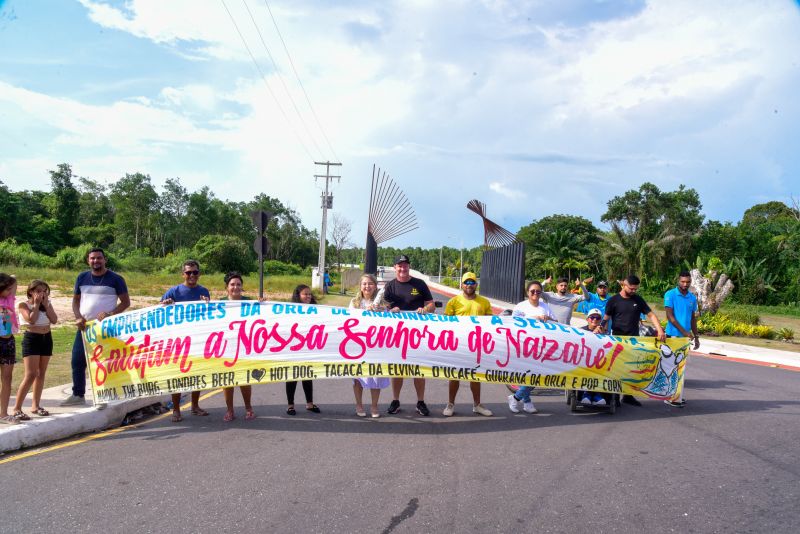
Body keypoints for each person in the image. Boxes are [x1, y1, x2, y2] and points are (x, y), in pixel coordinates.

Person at [61, 248, 130, 407]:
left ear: (105, 260)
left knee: (102, 362)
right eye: (92, 258)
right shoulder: (82, 277)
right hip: (85, 328)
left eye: (99, 258)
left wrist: (110, 313)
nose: (96, 261)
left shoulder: (116, 279)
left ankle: (103, 396)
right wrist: (77, 317)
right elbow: (75, 300)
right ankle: (78, 395)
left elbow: (126, 302)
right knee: (77, 360)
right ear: (88, 260)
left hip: (105, 328)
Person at [598, 274, 665, 407]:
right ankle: (615, 397)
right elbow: (606, 318)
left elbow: (651, 315)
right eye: (631, 288)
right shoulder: (613, 300)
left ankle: (628, 396)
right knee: (616, 370)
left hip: (634, 341)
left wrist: (660, 330)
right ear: (623, 284)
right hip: (618, 340)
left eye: (636, 289)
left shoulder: (638, 300)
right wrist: (601, 328)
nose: (633, 291)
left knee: (631, 369)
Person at [379, 255, 435, 416]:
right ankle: (395, 400)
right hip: (397, 335)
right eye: (399, 266)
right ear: (395, 267)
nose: (403, 269)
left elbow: (431, 304)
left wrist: (425, 310)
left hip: (418, 334)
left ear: (409, 267)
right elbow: (382, 307)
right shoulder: (390, 286)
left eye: (405, 266)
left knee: (418, 369)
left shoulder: (419, 284)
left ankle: (420, 401)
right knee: (397, 369)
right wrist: (390, 310)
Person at [161, 260, 210, 422]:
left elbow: (209, 315)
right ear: (183, 274)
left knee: (197, 375)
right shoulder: (174, 291)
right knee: (178, 377)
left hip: (197, 340)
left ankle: (195, 406)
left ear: (199, 274)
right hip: (178, 342)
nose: (191, 276)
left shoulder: (204, 291)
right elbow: (158, 310)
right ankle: (176, 410)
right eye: (188, 273)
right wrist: (165, 304)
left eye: (195, 272)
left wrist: (207, 304)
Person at [443, 272, 493, 417]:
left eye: (472, 282)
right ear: (462, 285)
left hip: (477, 344)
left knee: (475, 376)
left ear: (476, 285)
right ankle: (450, 404)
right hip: (458, 344)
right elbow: (446, 323)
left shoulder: (484, 302)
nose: (469, 285)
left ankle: (477, 405)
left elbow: (490, 322)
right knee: (454, 375)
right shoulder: (453, 302)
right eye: (466, 282)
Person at [12, 280, 58, 420]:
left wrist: (45, 305)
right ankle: (16, 408)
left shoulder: (47, 304)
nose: (41, 294)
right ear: (31, 291)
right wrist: (37, 305)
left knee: (41, 373)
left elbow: (54, 320)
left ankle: (35, 405)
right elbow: (31, 319)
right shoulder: (23, 305)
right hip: (32, 338)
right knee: (31, 374)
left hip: (46, 338)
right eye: (38, 291)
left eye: (44, 291)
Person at [508, 280, 554, 414]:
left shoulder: (545, 306)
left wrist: (548, 318)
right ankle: (526, 402)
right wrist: (535, 317)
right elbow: (514, 322)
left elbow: (556, 323)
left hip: (541, 346)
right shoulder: (520, 306)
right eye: (532, 291)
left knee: (536, 375)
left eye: (538, 291)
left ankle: (516, 398)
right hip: (523, 345)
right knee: (528, 374)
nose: (535, 293)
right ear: (528, 292)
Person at [348, 273, 390, 418]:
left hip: (376, 346)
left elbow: (387, 324)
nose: (367, 286)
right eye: (364, 284)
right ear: (360, 287)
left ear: (375, 286)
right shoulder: (354, 303)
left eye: (370, 283)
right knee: (358, 377)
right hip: (358, 345)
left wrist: (381, 311)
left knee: (376, 377)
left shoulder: (382, 305)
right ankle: (359, 405)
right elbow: (349, 322)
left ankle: (374, 406)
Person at [220, 271, 256, 422]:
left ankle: (248, 408)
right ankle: (230, 410)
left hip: (244, 347)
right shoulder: (218, 304)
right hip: (225, 348)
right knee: (227, 381)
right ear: (227, 287)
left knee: (244, 379)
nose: (236, 287)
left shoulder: (250, 302)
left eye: (238, 284)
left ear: (242, 287)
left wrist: (264, 304)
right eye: (232, 284)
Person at [663, 271, 700, 408]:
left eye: (688, 282)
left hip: (685, 339)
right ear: (678, 281)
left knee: (681, 368)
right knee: (672, 367)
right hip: (673, 336)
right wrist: (684, 332)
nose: (685, 284)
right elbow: (670, 317)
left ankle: (676, 396)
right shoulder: (670, 294)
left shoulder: (692, 298)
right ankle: (670, 396)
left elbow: (692, 318)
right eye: (683, 282)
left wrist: (696, 337)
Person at [286, 284, 321, 415]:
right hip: (293, 347)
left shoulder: (316, 309)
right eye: (305, 294)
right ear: (298, 296)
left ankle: (310, 404)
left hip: (308, 347)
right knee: (292, 376)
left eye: (309, 294)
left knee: (307, 375)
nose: (308, 296)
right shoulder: (289, 310)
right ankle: (290, 405)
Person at [577, 308, 609, 406]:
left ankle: (596, 394)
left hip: (599, 361)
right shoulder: (580, 330)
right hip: (583, 360)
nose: (594, 319)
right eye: (592, 317)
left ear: (600, 320)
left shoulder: (605, 332)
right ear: (588, 319)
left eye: (597, 318)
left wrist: (602, 334)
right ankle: (587, 393)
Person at [0, 274, 19, 425]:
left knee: (7, 378)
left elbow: (14, 277)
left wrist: (7, 280)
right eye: (8, 289)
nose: (11, 290)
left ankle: (3, 413)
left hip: (8, 341)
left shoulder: (9, 299)